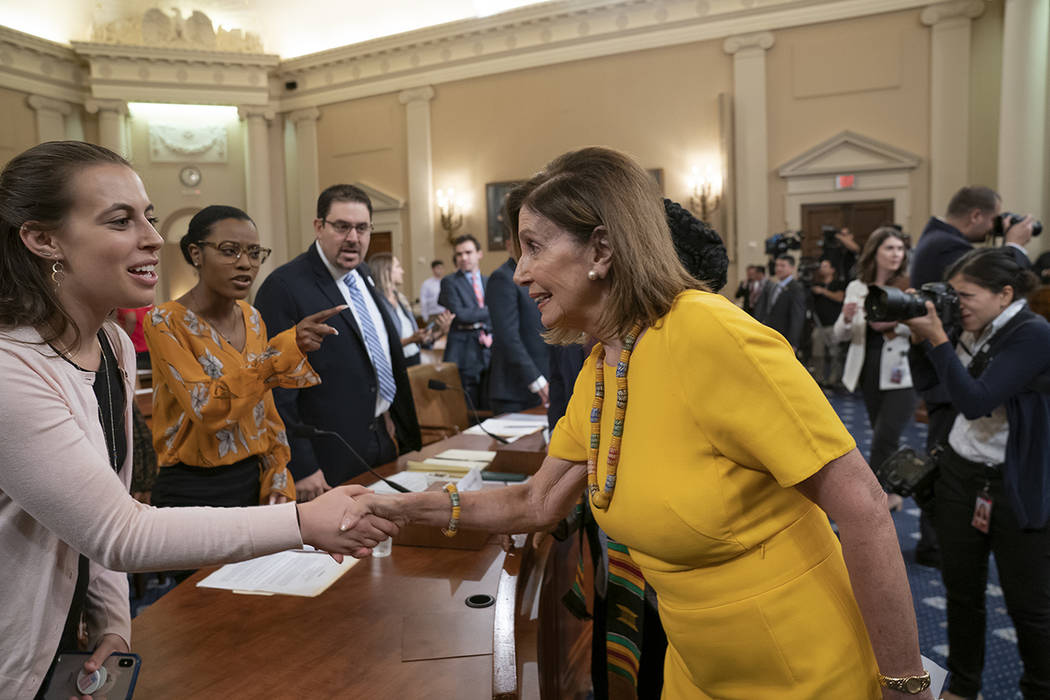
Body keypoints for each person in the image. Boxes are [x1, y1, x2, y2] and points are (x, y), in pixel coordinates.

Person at [362, 147, 932, 699]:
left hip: (804, 667)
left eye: (533, 247)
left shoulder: (709, 334)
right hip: (697, 669)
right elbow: (535, 503)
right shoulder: (605, 365)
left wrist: (905, 686)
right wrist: (400, 507)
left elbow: (863, 508)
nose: (519, 273)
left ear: (602, 249)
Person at [0, 141, 396, 698]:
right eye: (120, 220)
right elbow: (122, 532)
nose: (153, 238)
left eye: (150, 218)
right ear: (43, 239)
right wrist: (304, 524)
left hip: (75, 642)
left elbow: (110, 504)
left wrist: (113, 621)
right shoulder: (11, 369)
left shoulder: (111, 342)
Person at [904, 248, 1050, 700]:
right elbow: (938, 391)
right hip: (962, 476)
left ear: (1005, 294)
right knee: (961, 591)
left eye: (967, 295)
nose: (958, 303)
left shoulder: (1033, 334)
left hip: (1014, 486)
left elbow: (975, 399)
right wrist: (924, 341)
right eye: (955, 295)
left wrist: (939, 341)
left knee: (1029, 605)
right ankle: (964, 685)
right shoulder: (977, 327)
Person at [144, 205, 345, 508]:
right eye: (229, 251)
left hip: (251, 480)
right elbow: (206, 408)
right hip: (191, 488)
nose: (245, 264)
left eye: (253, 253)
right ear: (196, 253)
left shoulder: (253, 318)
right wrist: (284, 351)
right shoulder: (164, 321)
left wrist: (278, 471)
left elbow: (266, 409)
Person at [255, 184, 421, 499]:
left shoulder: (363, 275)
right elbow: (274, 389)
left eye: (361, 228)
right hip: (326, 455)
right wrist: (300, 466)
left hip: (381, 439)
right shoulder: (284, 287)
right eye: (342, 227)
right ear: (319, 227)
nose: (353, 238)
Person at [832, 228, 916, 488]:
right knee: (878, 430)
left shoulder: (909, 285)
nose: (896, 254)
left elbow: (923, 327)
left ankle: (882, 492)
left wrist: (894, 323)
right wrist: (846, 318)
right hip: (868, 367)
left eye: (900, 249)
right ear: (875, 252)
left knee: (884, 437)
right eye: (889, 248)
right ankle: (896, 489)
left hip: (903, 368)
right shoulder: (856, 287)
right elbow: (839, 335)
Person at [911, 185, 1033, 290]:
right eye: (993, 220)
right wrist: (1015, 245)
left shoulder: (937, 236)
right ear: (976, 216)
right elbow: (1000, 285)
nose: (993, 227)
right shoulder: (951, 246)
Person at [487, 237, 549, 414]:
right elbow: (507, 337)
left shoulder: (539, 275)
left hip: (544, 381)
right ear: (509, 245)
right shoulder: (502, 278)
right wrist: (537, 381)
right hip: (515, 391)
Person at [369, 252, 451, 367]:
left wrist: (440, 331)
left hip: (414, 359)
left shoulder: (401, 299)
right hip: (395, 364)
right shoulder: (375, 303)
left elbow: (420, 342)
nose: (402, 271)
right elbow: (382, 344)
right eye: (397, 267)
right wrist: (411, 339)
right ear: (385, 270)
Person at [439, 233, 491, 408]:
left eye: (468, 252)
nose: (464, 258)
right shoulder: (449, 281)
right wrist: (491, 311)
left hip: (487, 349)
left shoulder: (488, 281)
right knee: (468, 406)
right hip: (463, 351)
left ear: (479, 254)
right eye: (459, 254)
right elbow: (461, 315)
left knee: (488, 404)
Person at [754, 254, 807, 352]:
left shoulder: (796, 288)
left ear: (792, 268)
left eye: (782, 265)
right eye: (777, 265)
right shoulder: (773, 286)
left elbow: (797, 316)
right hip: (769, 335)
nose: (778, 268)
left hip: (784, 337)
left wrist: (793, 342)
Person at [809, 257, 846, 387]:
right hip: (819, 325)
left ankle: (834, 379)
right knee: (817, 353)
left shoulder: (838, 284)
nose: (822, 269)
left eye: (825, 266)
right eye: (821, 266)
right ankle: (818, 378)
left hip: (833, 324)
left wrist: (823, 292)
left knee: (835, 353)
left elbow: (839, 297)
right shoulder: (815, 285)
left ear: (832, 270)